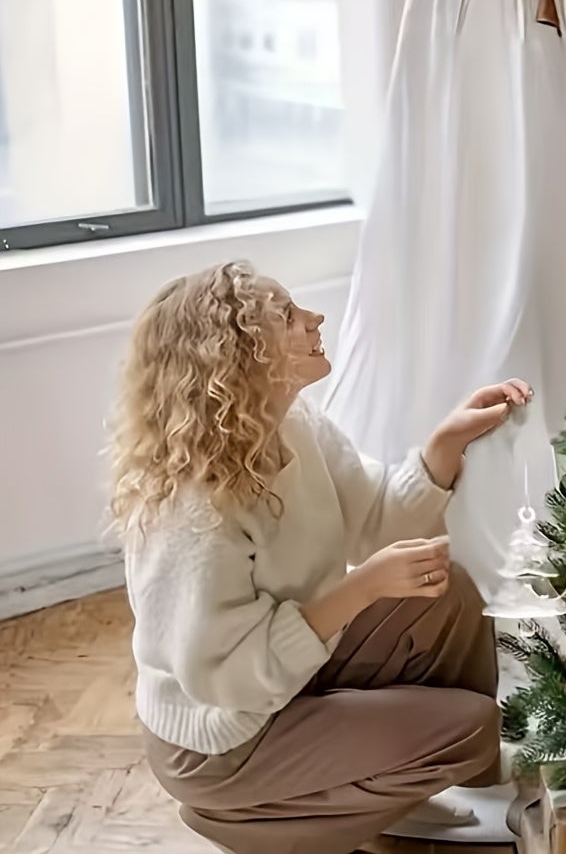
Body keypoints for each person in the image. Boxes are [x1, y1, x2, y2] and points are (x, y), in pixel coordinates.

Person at [109, 261, 532, 854]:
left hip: (292, 679)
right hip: (224, 740)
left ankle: (462, 785)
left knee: (445, 590)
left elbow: (375, 519)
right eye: (286, 315)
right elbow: (225, 677)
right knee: (468, 728)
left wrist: (446, 443)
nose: (315, 319)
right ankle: (252, 819)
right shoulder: (193, 510)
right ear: (240, 353)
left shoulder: (292, 424)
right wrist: (362, 589)